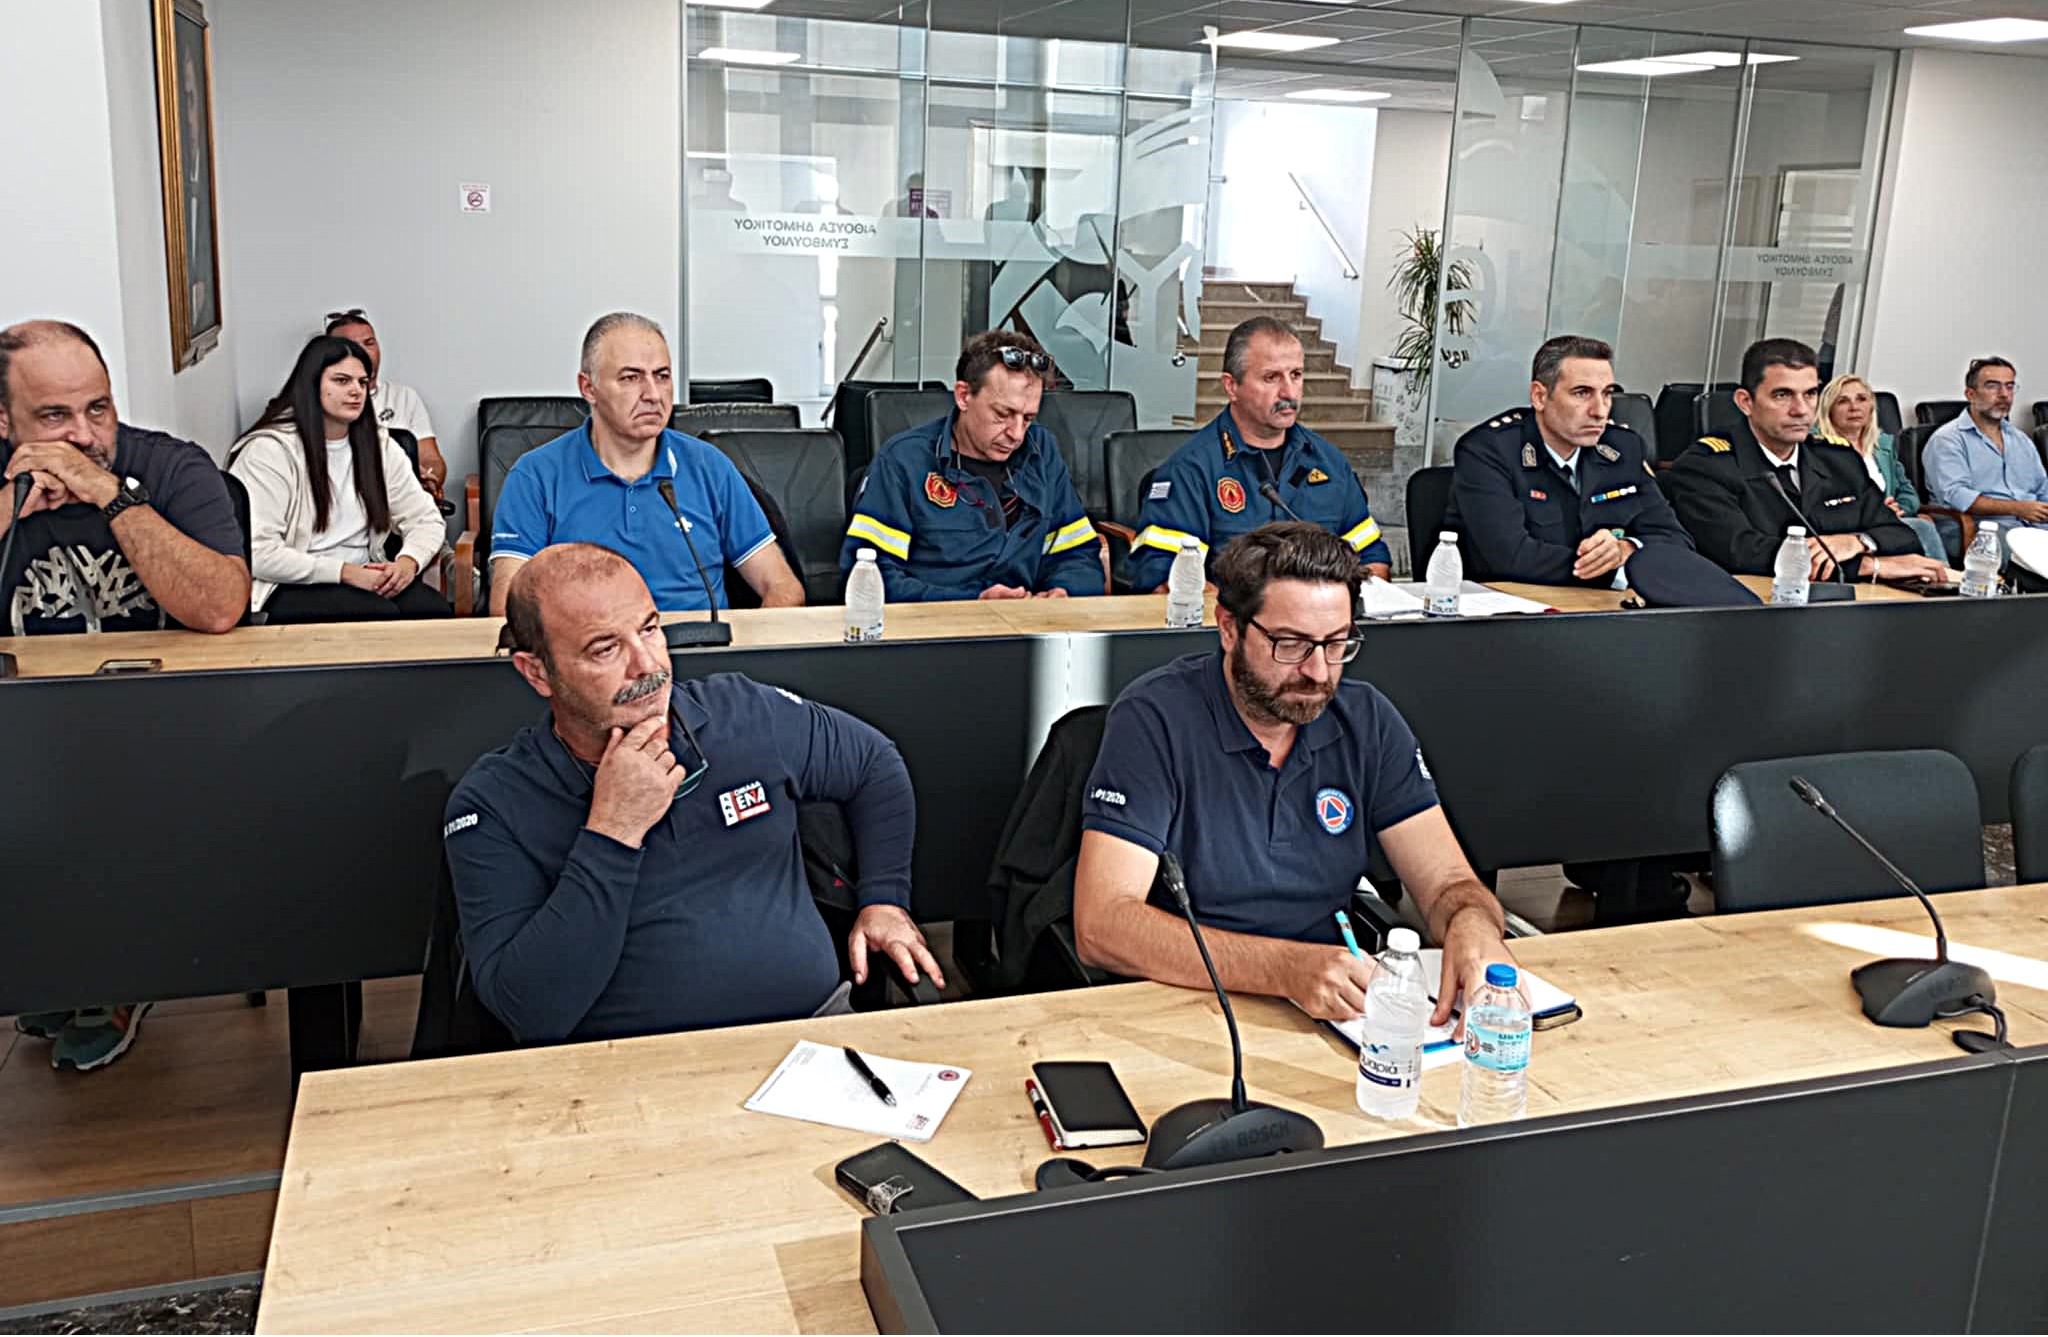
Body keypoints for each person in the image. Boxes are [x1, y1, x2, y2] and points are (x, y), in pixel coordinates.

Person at [444, 543, 939, 1043]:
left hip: (811, 1036)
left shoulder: (745, 712)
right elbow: (529, 1012)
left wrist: (884, 900)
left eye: (649, 629)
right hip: (619, 1066)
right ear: (537, 672)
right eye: (605, 649)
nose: (648, 666)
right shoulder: (493, 802)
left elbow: (874, 763)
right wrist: (613, 831)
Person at [1072, 522, 1515, 1025]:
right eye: (1291, 644)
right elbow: (1103, 926)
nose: (1318, 672)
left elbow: (1447, 881)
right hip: (1183, 1000)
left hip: (1335, 1004)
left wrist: (1472, 924)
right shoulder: (1155, 719)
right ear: (1229, 628)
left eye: (1336, 644)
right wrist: (1285, 969)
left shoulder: (1366, 719)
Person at [0, 319, 250, 1071]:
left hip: (159, 722)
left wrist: (111, 497)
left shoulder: (170, 468)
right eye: (54, 416)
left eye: (97, 409)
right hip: (28, 725)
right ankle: (58, 967)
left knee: (106, 793)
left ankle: (113, 978)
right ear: (5, 420)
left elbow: (220, 604)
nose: (82, 435)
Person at [488, 313, 804, 615]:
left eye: (662, 376)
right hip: (591, 649)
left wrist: (748, 647)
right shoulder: (535, 476)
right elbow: (507, 608)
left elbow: (783, 588)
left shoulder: (710, 467)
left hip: (701, 646)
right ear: (589, 388)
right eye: (631, 378)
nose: (653, 394)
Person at [1446, 335, 1749, 605]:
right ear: (1539, 396)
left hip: (1600, 608)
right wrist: (1615, 568)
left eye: (1607, 394)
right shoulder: (1489, 450)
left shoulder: (1623, 448)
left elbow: (1676, 540)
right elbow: (1510, 556)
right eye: (1582, 393)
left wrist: (1626, 548)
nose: (1600, 411)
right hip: (1512, 614)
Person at [1125, 317, 1391, 592]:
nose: (1288, 392)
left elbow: (1372, 558)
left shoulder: (1330, 463)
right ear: (1231, 386)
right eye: (1271, 378)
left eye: (1296, 375)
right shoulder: (1190, 470)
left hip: (1322, 616)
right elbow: (1166, 577)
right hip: (1230, 617)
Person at [839, 330, 1102, 601]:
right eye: (1003, 414)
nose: (1017, 434)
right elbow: (866, 580)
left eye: (1028, 418)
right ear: (963, 396)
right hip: (939, 624)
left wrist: (1064, 592)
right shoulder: (904, 461)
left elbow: (1078, 555)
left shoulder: (1041, 451)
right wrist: (972, 602)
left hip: (1028, 622)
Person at [1665, 338, 1947, 584]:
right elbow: (1739, 552)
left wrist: (1857, 541)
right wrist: (1868, 566)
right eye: (1782, 395)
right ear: (1745, 402)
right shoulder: (1706, 466)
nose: (1800, 410)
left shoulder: (1839, 459)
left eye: (1810, 394)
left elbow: (1902, 536)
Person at [228, 336, 451, 623]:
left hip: (366, 571)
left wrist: (408, 562)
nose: (356, 391)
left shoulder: (379, 445)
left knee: (432, 611)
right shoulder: (268, 451)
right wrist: (345, 573)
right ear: (311, 384)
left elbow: (425, 518)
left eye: (362, 382)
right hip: (292, 583)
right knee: (377, 618)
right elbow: (258, 552)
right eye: (342, 381)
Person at [1819, 374, 1946, 562]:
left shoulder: (1883, 446)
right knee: (1921, 528)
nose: (1854, 407)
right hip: (1843, 527)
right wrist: (1877, 513)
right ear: (1829, 409)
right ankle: (1944, 577)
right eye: (1843, 401)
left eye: (1861, 399)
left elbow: (1909, 494)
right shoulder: (1817, 447)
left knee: (1919, 526)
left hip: (1886, 523)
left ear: (1871, 407)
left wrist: (1899, 509)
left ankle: (1938, 576)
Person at [1923, 357, 2048, 544]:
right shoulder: (1947, 440)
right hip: (1981, 529)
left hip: (2033, 528)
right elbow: (1956, 496)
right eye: (1992, 386)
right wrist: (2017, 508)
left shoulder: (2021, 439)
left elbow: (2043, 489)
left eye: (2009, 386)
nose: (2004, 394)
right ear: (1970, 394)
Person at [322, 309, 446, 497]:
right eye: (351, 346)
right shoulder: (321, 403)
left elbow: (431, 459)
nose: (364, 352)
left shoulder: (404, 397)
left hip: (400, 499)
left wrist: (426, 477)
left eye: (369, 343)